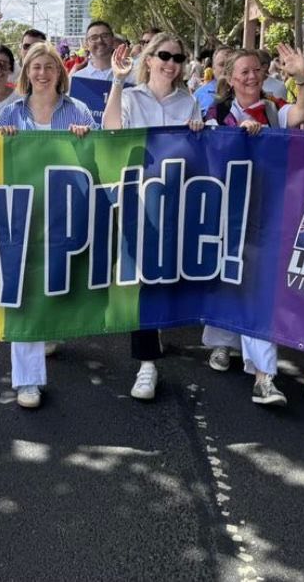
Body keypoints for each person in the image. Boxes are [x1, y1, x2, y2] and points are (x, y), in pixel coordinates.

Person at [203, 45, 304, 406]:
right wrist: (232, 137)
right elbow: (206, 154)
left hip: (268, 210)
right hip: (227, 209)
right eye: (244, 71)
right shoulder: (217, 112)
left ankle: (264, 375)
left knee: (260, 288)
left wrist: (302, 77)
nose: (252, 76)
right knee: (228, 278)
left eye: (256, 70)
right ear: (230, 78)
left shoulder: (273, 109)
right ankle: (223, 342)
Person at [102, 32, 205, 401]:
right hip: (137, 198)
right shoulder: (130, 97)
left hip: (176, 199)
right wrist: (117, 81)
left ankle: (160, 326)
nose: (171, 63)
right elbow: (111, 129)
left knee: (166, 275)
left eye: (178, 58)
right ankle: (147, 364)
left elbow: (198, 155)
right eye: (164, 55)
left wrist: (198, 133)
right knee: (142, 277)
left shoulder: (189, 102)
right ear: (149, 59)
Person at [0, 42, 95, 408]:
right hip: (23, 214)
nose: (42, 73)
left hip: (64, 214)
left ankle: (50, 329)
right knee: (24, 291)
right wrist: (2, 143)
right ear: (26, 72)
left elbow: (97, 161)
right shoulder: (10, 113)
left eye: (49, 66)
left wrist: (86, 141)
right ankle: (27, 381)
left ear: (59, 72)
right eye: (35, 67)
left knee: (57, 287)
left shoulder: (78, 111)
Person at [194, 46, 234, 116]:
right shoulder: (198, 95)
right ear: (213, 68)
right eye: (222, 64)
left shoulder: (246, 94)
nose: (226, 69)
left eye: (230, 64)